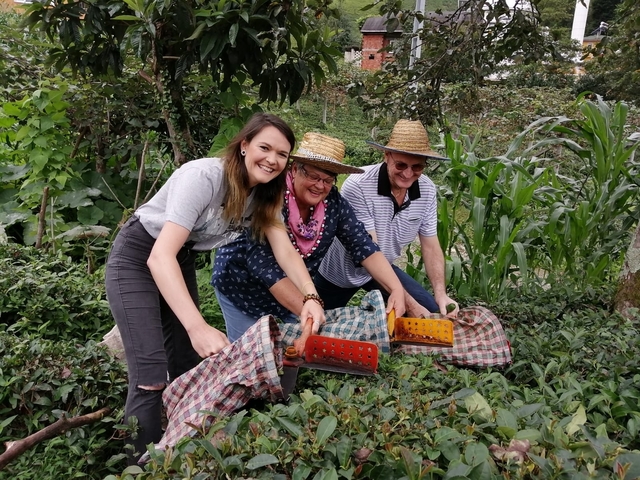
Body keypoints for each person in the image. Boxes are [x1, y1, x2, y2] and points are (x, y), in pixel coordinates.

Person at [105, 113, 324, 463]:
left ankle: (178, 452)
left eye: (282, 154)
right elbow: (160, 257)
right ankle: (136, 466)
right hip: (139, 255)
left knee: (185, 364)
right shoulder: (204, 177)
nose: (272, 159)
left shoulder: (265, 195)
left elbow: (285, 250)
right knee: (149, 373)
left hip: (182, 258)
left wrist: (310, 297)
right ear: (244, 146)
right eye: (264, 148)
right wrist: (197, 327)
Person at [212, 132, 406, 342]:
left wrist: (395, 289)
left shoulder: (333, 204)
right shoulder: (269, 197)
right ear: (295, 169)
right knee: (249, 352)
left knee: (291, 351)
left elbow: (362, 244)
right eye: (313, 176)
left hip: (294, 289)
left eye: (328, 180)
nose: (320, 186)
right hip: (242, 285)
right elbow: (265, 266)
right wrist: (308, 307)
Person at [316, 119, 459, 318]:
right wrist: (408, 303)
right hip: (340, 271)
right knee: (318, 324)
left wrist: (441, 294)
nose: (408, 173)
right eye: (401, 165)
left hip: (385, 268)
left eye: (417, 167)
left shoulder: (426, 189)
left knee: (433, 312)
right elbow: (367, 252)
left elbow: (431, 245)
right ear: (386, 156)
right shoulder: (358, 185)